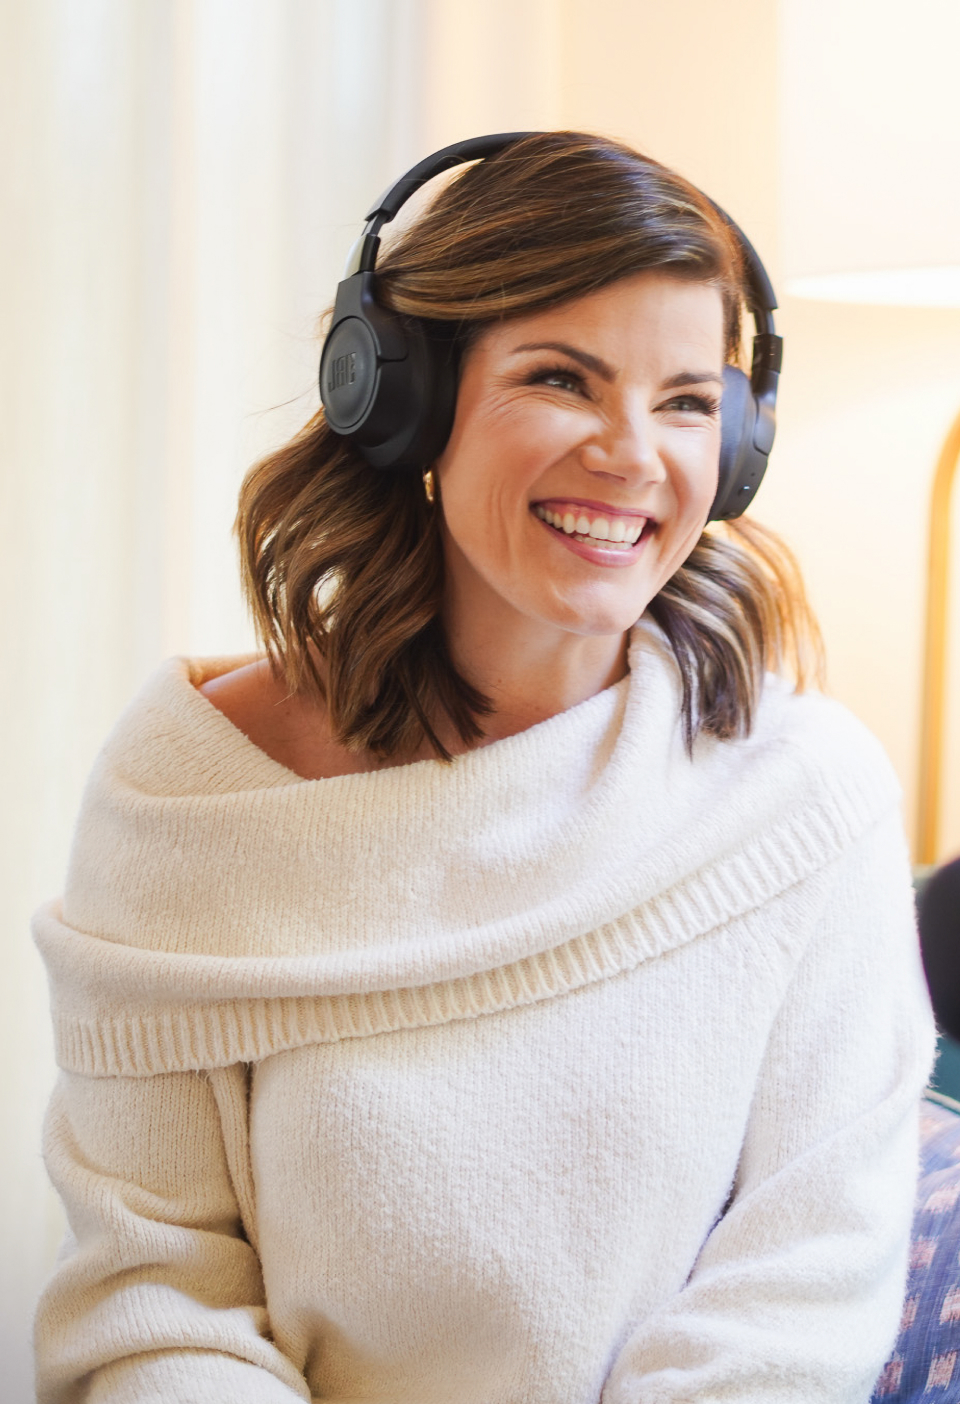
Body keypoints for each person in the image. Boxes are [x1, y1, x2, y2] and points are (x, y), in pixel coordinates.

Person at [33, 131, 935, 1404]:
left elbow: (804, 1286)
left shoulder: (806, 799)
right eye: (563, 378)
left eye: (686, 400)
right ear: (402, 398)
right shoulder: (191, 796)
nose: (634, 454)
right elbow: (154, 1287)